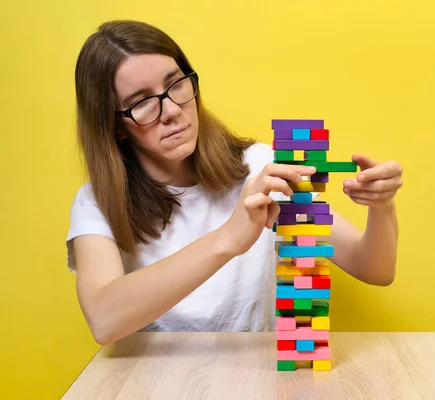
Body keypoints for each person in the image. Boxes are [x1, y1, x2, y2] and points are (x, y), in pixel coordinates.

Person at [67, 20, 403, 345]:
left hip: (254, 375)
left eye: (176, 84)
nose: (170, 110)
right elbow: (103, 320)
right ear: (115, 127)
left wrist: (382, 206)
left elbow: (375, 268)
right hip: (157, 380)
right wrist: (229, 237)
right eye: (141, 103)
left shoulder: (261, 169)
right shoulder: (97, 202)